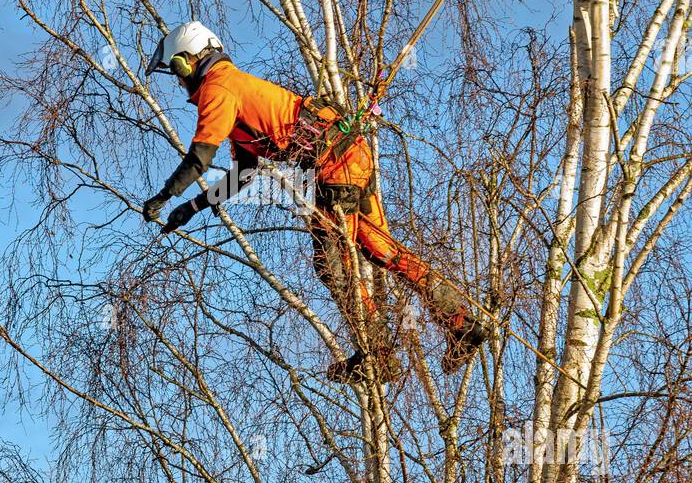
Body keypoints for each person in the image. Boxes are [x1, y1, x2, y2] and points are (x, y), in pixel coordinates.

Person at [142, 22, 489, 379]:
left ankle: (379, 353)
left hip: (336, 164)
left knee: (330, 264)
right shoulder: (233, 91)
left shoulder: (219, 87)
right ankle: (462, 322)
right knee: (381, 250)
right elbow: (243, 172)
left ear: (189, 62)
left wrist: (165, 196)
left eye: (177, 73)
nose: (180, 82)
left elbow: (200, 156)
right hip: (349, 155)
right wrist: (193, 207)